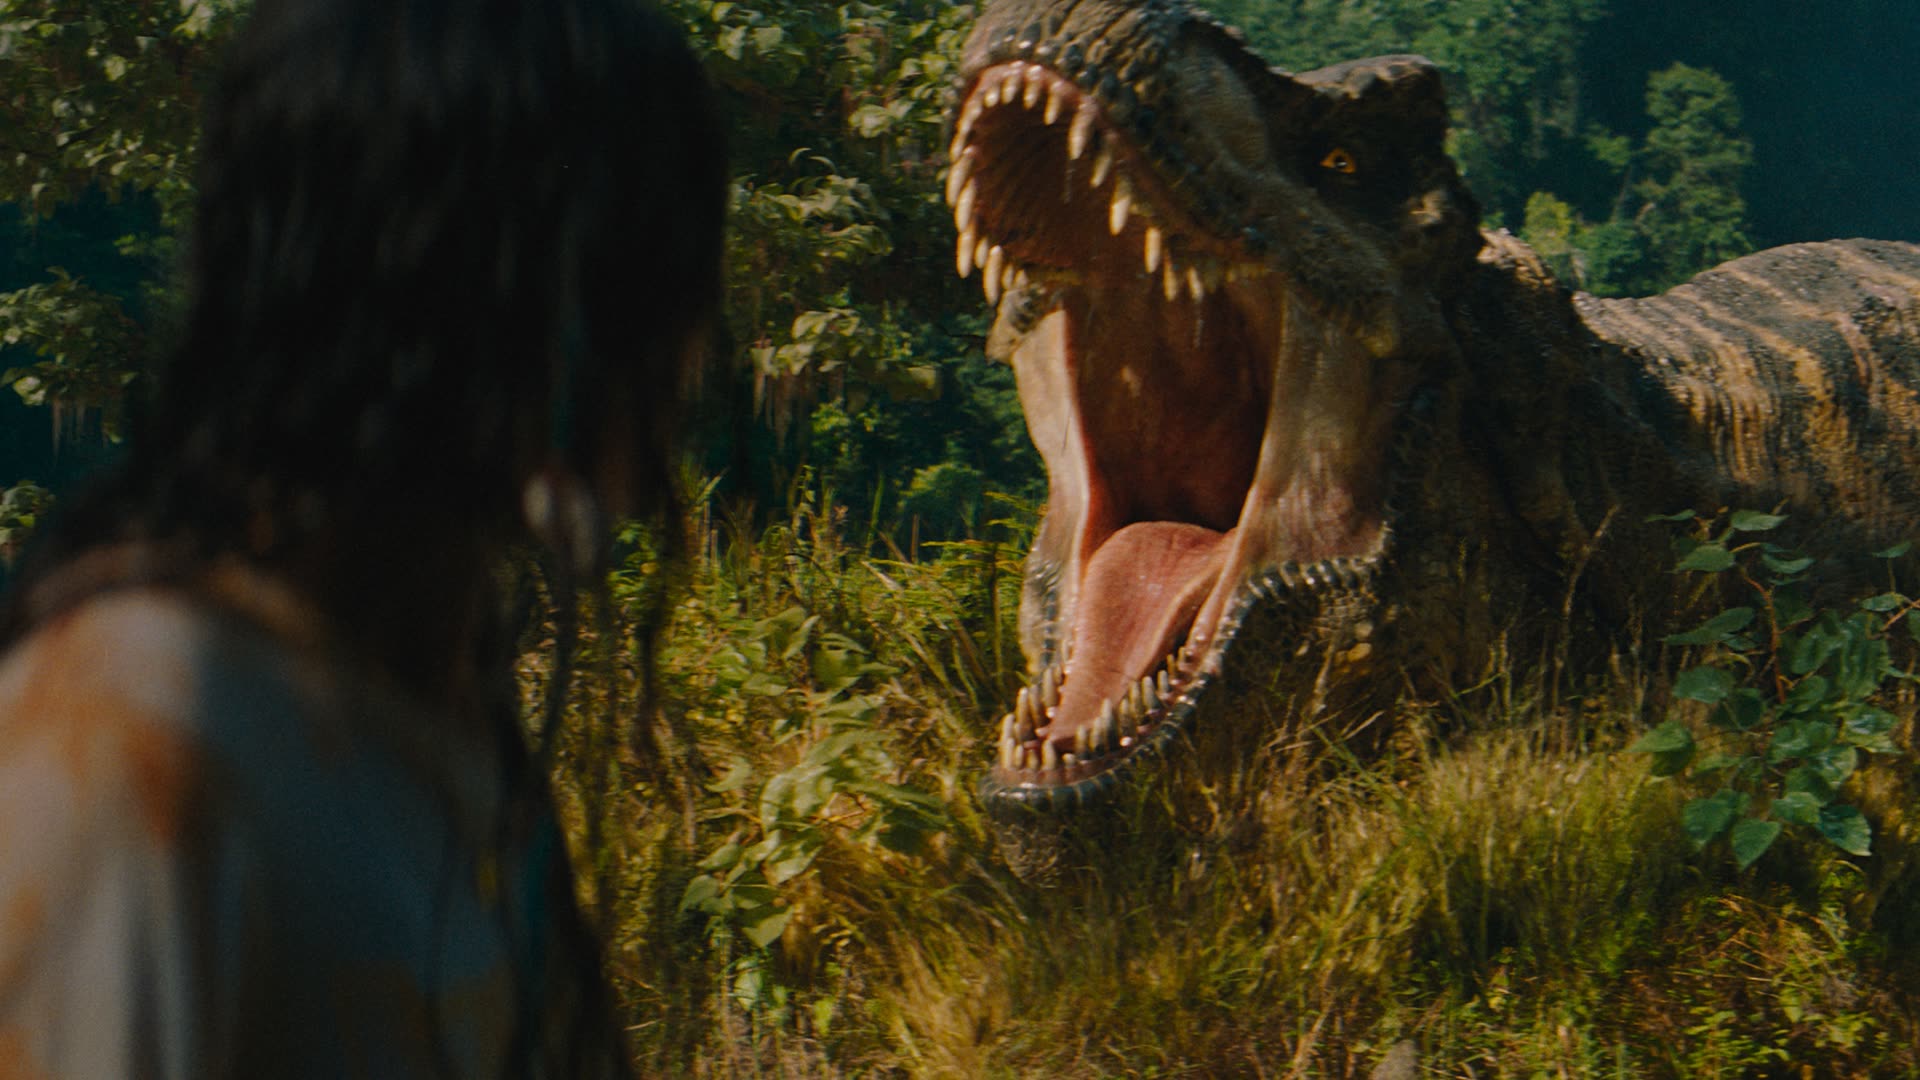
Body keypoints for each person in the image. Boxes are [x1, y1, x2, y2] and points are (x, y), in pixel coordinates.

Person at [0, 0, 726, 1073]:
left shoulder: (430, 706)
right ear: (482, 289)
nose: (689, 348)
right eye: (647, 274)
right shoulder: (142, 733)